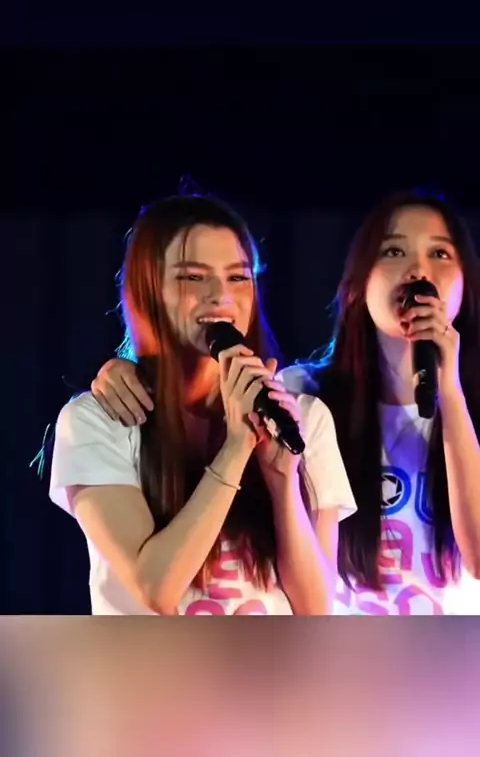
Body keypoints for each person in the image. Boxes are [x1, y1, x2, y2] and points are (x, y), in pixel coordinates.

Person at [92, 190, 480, 615]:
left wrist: (450, 393)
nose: (418, 271)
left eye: (440, 253)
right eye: (393, 251)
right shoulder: (305, 395)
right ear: (358, 282)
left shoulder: (463, 406)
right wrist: (131, 368)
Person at [49, 191, 356, 615]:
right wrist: (235, 449)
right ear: (147, 291)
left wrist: (283, 482)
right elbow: (156, 588)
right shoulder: (99, 421)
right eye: (193, 277)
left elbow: (315, 609)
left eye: (239, 277)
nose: (221, 296)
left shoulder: (303, 418)